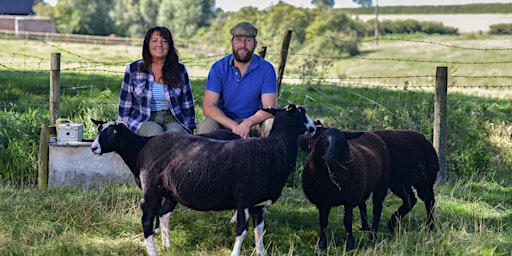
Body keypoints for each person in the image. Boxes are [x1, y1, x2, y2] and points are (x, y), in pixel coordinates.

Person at [197, 21, 277, 138]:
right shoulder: (218, 68)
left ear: (255, 44)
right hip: (224, 122)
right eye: (238, 39)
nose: (242, 45)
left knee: (271, 124)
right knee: (206, 126)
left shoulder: (266, 69)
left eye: (248, 40)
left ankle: (270, 156)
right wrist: (235, 126)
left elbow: (270, 108)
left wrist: (247, 123)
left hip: (254, 123)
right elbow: (208, 107)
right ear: (232, 43)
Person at [117, 26, 196, 136]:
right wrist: (122, 131)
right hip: (145, 118)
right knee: (155, 135)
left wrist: (190, 127)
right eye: (154, 41)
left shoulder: (180, 70)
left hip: (173, 118)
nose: (159, 45)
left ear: (169, 46)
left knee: (175, 136)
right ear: (147, 44)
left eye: (164, 41)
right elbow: (125, 104)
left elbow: (187, 104)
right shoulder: (134, 69)